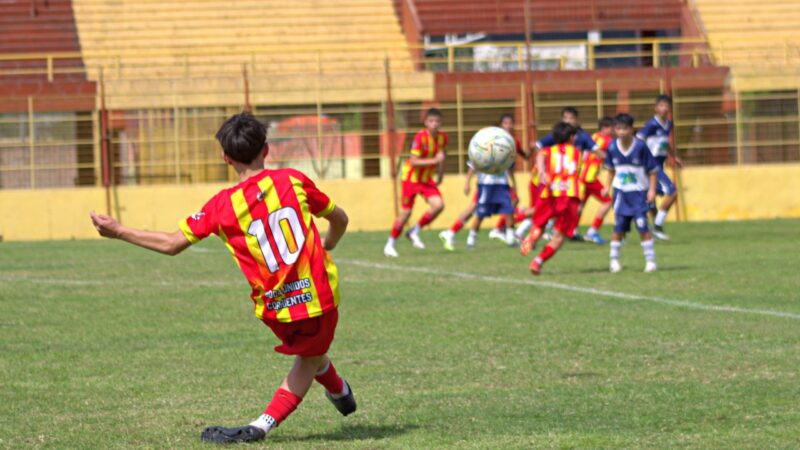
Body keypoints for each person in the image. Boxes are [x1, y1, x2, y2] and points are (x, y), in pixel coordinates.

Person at [89, 113, 355, 444]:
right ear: (267, 150)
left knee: (310, 349)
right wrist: (328, 243)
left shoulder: (220, 206)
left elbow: (172, 244)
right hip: (317, 296)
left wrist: (119, 231)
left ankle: (338, 391)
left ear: (225, 157)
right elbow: (339, 218)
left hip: (274, 308)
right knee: (309, 355)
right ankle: (262, 425)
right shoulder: (293, 180)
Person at [519, 122, 582, 275]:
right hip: (568, 196)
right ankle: (537, 261)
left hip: (550, 193)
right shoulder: (577, 152)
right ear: (572, 137)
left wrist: (541, 172)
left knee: (539, 224)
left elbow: (540, 155)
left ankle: (528, 243)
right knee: (559, 236)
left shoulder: (548, 150)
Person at [384, 108, 447, 257]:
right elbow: (414, 161)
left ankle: (414, 231)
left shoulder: (443, 137)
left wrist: (441, 175)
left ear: (441, 122)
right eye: (431, 121)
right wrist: (435, 161)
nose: (434, 124)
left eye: (437, 121)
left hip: (426, 180)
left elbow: (442, 156)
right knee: (406, 213)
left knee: (439, 205)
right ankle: (390, 244)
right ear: (425, 122)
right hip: (411, 179)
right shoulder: (420, 137)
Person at [604, 113, 659, 273]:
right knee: (618, 228)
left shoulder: (641, 147)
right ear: (615, 130)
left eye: (625, 129)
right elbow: (610, 170)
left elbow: (653, 171)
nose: (621, 132)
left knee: (643, 227)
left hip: (639, 194)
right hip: (621, 194)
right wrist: (607, 186)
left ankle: (651, 261)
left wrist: (652, 189)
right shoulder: (612, 147)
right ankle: (614, 261)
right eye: (618, 129)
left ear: (631, 129)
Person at [533, 106, 597, 241]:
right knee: (551, 208)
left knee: (572, 208)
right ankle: (521, 221)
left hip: (575, 179)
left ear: (577, 120)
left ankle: (568, 230)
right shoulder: (557, 135)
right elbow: (538, 147)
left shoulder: (583, 136)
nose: (568, 121)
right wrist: (542, 170)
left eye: (571, 118)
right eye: (565, 118)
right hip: (554, 180)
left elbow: (597, 149)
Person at [636, 95, 682, 240]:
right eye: (661, 106)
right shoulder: (651, 125)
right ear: (655, 108)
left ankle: (652, 229)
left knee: (651, 199)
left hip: (658, 164)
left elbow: (664, 142)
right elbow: (638, 139)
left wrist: (673, 156)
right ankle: (657, 225)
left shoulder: (668, 124)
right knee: (673, 192)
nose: (664, 108)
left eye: (666, 105)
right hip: (651, 166)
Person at [576, 116, 614, 244]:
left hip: (580, 175)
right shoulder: (607, 140)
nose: (614, 131)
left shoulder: (593, 136)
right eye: (612, 128)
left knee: (579, 205)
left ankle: (570, 231)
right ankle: (592, 232)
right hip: (590, 178)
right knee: (608, 201)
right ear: (605, 128)